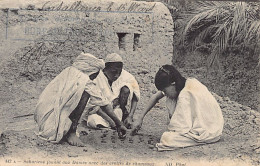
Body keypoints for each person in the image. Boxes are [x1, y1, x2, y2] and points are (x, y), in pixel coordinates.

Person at [34, 52, 127, 147]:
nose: (94, 78)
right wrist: (119, 124)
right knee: (85, 94)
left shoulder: (69, 72)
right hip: (50, 124)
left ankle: (66, 129)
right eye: (94, 75)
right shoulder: (83, 79)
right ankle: (71, 132)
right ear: (90, 70)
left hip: (44, 118)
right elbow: (103, 103)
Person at [131, 65, 224, 151]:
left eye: (165, 90)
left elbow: (180, 128)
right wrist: (140, 118)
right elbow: (155, 97)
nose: (164, 93)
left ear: (173, 83)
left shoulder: (185, 94)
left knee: (167, 138)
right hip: (212, 127)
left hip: (209, 130)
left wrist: (171, 132)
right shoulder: (184, 83)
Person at [81, 53, 140, 129]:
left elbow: (135, 94)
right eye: (113, 72)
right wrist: (112, 122)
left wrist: (130, 116)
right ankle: (115, 123)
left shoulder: (126, 75)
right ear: (105, 69)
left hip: (114, 111)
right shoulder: (96, 77)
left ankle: (122, 118)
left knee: (125, 93)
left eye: (119, 72)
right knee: (93, 120)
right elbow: (95, 106)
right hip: (100, 113)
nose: (117, 76)